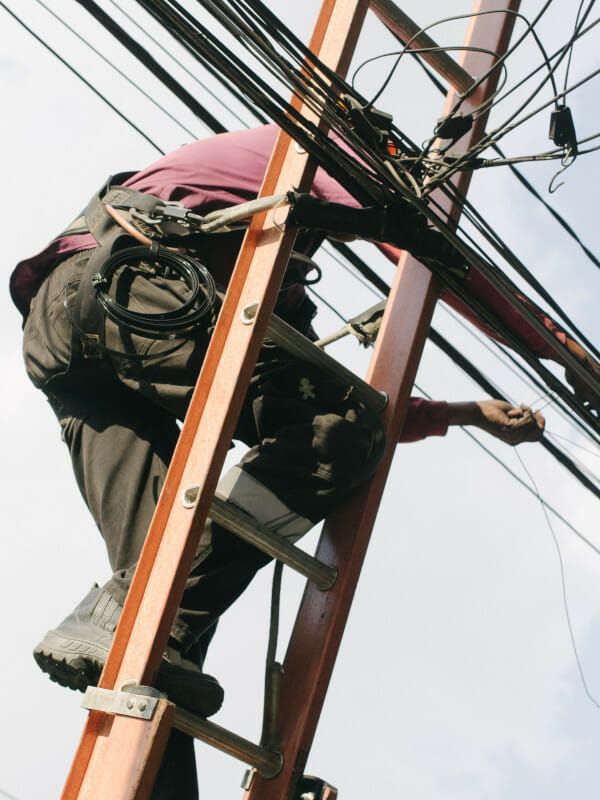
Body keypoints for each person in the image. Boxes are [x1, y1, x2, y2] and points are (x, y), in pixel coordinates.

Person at [12, 125, 550, 798]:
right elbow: (379, 204)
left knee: (162, 632)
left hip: (69, 333)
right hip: (132, 282)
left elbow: (325, 393)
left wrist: (462, 412)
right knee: (334, 436)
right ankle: (125, 610)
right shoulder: (300, 144)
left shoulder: (275, 270)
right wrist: (534, 333)